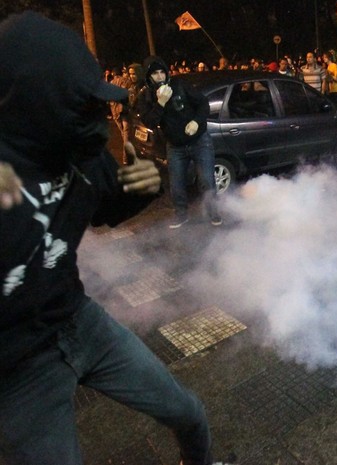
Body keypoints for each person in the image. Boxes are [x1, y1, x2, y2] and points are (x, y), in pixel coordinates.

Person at [0, 11, 216, 465]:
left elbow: (105, 209)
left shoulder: (77, 154)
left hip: (77, 321)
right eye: (83, 105)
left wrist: (143, 184)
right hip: (16, 368)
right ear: (37, 104)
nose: (98, 117)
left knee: (189, 412)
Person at [136, 56, 221, 229]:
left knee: (206, 180)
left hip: (199, 141)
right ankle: (181, 215)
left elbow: (203, 103)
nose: (159, 77)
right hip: (175, 147)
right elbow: (149, 122)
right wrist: (161, 103)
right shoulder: (146, 96)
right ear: (148, 77)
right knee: (176, 184)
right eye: (155, 74)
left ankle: (213, 212)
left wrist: (196, 121)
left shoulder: (179, 85)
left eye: (162, 72)